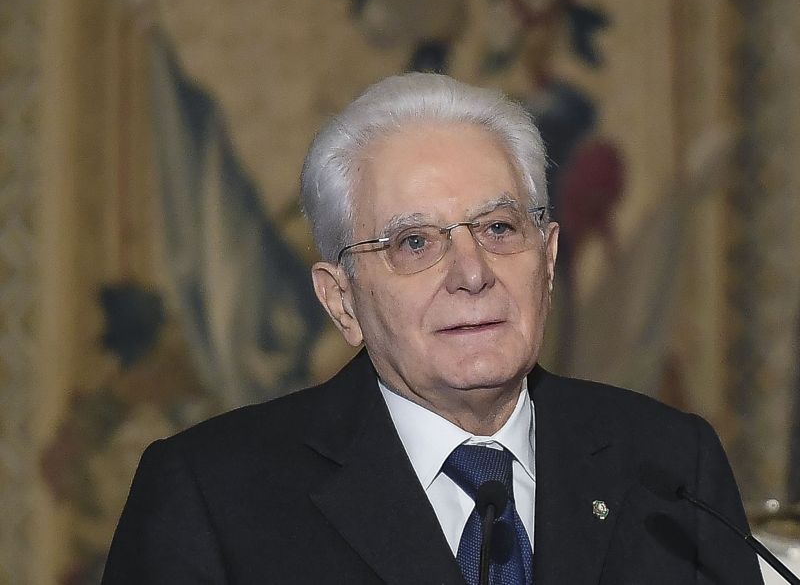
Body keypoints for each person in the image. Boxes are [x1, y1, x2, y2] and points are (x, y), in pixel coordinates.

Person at [102, 73, 763, 584]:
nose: (472, 273)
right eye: (414, 242)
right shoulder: (211, 496)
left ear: (548, 261)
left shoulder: (669, 465)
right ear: (342, 301)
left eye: (499, 227)